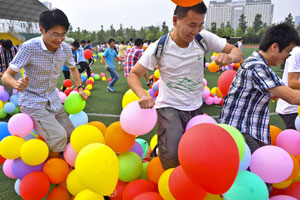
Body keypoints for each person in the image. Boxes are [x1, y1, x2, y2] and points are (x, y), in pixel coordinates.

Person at [127, 2, 243, 169]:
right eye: (192, 25)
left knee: (198, 153)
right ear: (175, 20)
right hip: (169, 106)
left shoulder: (203, 38)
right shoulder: (159, 47)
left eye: (201, 25)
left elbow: (236, 52)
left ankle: (161, 149)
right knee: (174, 157)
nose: (196, 31)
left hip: (196, 106)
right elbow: (133, 75)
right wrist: (143, 95)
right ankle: (165, 157)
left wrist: (230, 58)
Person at [2, 9, 88, 158]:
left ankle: (65, 164)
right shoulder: (28, 47)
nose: (60, 39)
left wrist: (80, 87)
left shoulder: (65, 49)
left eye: (63, 34)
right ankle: (51, 170)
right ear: (42, 30)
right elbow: (6, 76)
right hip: (32, 101)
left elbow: (73, 69)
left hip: (53, 99)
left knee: (71, 134)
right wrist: (16, 84)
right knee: (58, 137)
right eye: (55, 34)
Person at [219, 23, 300, 153]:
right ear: (275, 47)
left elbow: (277, 89)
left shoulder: (259, 63)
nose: (287, 57)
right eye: (287, 52)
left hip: (245, 130)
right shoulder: (256, 66)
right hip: (241, 132)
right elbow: (292, 97)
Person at [276, 46, 300, 130]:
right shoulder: (298, 52)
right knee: (295, 141)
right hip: (293, 109)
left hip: (296, 106)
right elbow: (292, 82)